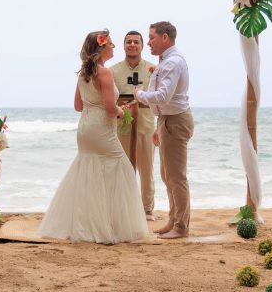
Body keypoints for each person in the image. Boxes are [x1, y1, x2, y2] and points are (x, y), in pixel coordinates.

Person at [37, 30, 151, 244]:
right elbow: (109, 108)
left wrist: (99, 106)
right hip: (101, 129)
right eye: (111, 44)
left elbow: (78, 106)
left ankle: (89, 223)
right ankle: (112, 226)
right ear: (102, 47)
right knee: (122, 169)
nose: (114, 47)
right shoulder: (105, 73)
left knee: (89, 170)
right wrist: (122, 111)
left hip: (85, 129)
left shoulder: (84, 73)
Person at [135, 21, 194, 239]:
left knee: (176, 177)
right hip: (167, 120)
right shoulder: (166, 61)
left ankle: (181, 227)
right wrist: (159, 125)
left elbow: (163, 96)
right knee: (167, 175)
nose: (148, 42)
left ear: (165, 38)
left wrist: (139, 94)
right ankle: (173, 220)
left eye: (151, 37)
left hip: (175, 120)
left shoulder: (173, 62)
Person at [111, 31, 157, 221]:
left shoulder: (153, 69)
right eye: (128, 42)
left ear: (142, 46)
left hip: (146, 126)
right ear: (124, 46)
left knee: (147, 170)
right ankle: (124, 208)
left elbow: (158, 97)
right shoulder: (113, 71)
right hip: (122, 128)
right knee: (122, 170)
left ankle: (147, 209)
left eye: (136, 42)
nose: (132, 45)